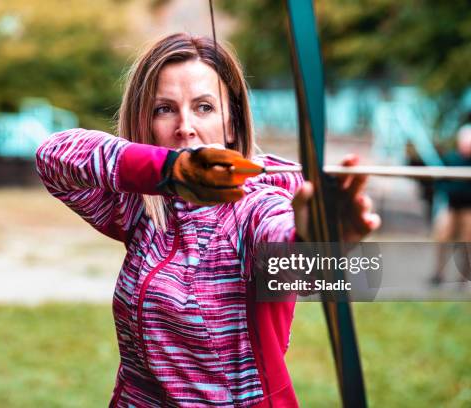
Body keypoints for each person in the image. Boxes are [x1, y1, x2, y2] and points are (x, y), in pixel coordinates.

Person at [36, 33, 380, 407]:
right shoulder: (142, 209)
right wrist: (171, 171)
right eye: (163, 109)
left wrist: (318, 238)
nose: (185, 126)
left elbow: (284, 243)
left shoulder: (255, 207)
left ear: (231, 123)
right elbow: (54, 156)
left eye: (203, 107)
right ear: (145, 124)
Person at [430, 124, 471, 286]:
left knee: (468, 244)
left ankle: (463, 279)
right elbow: (440, 182)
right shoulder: (450, 159)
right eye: (466, 142)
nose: (469, 146)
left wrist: (467, 192)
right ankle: (438, 274)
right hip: (451, 207)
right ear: (460, 142)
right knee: (441, 238)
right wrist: (453, 191)